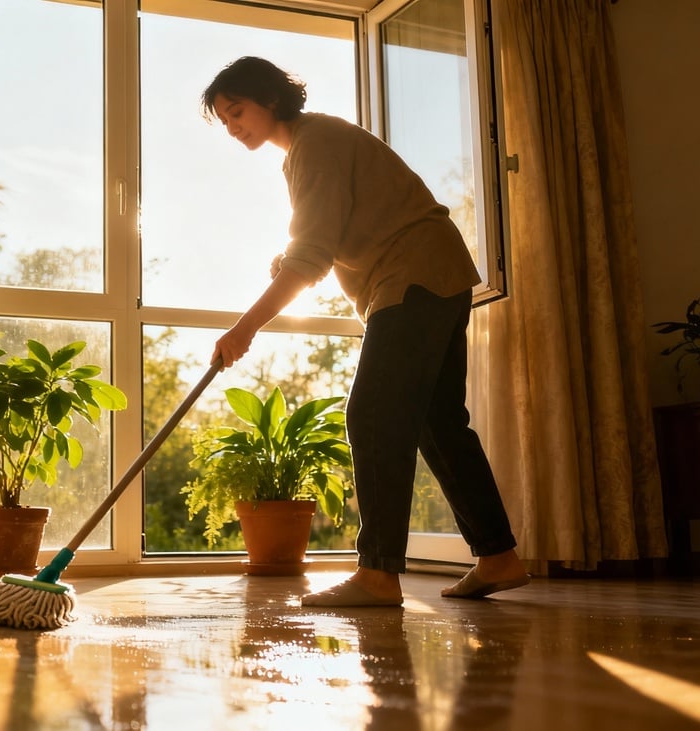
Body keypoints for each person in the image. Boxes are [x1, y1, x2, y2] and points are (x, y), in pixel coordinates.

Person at [203, 56, 529, 607]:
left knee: (374, 414)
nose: (234, 127)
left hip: (414, 276)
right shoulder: (314, 144)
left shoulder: (315, 142)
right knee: (439, 423)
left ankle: (378, 574)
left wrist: (244, 328)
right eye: (225, 120)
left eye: (238, 112)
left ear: (272, 99)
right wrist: (291, 256)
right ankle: (498, 558)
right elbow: (327, 232)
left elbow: (312, 256)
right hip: (435, 274)